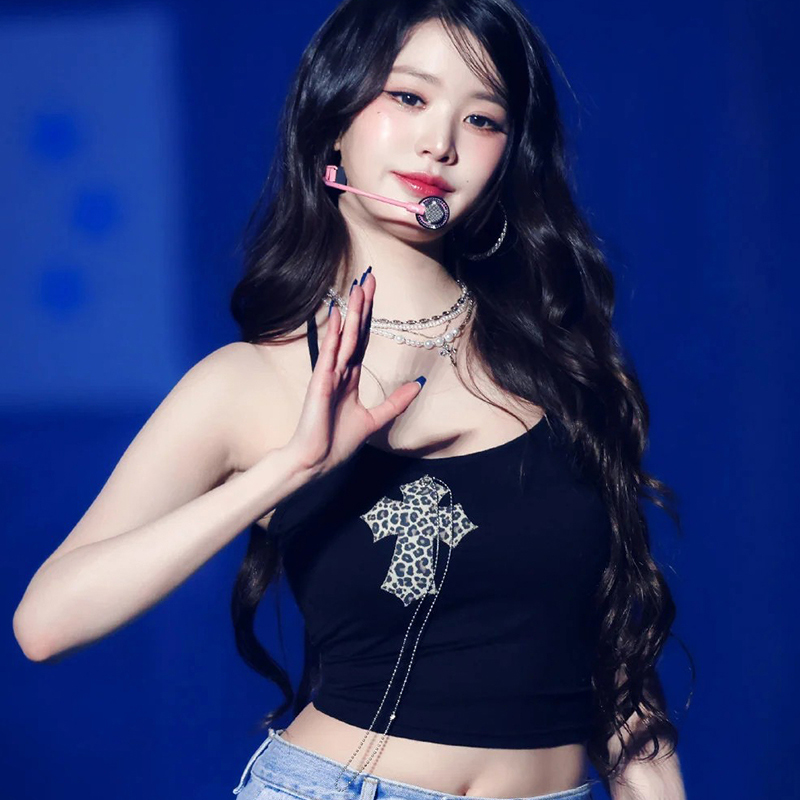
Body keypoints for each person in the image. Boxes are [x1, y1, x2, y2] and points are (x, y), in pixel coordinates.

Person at [13, 1, 691, 798]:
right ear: (334, 119)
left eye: (482, 118)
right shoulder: (251, 381)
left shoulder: (560, 364)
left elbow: (615, 657)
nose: (439, 142)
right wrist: (287, 471)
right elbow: (46, 623)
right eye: (407, 97)